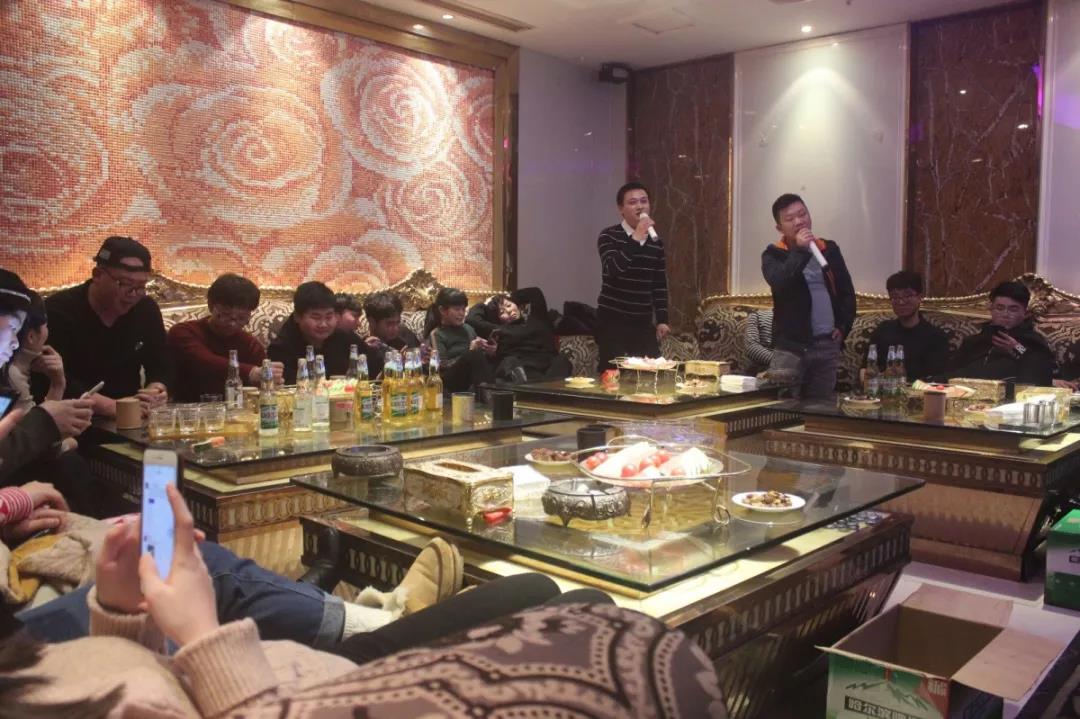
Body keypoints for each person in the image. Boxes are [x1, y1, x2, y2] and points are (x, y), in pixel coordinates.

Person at [7, 486, 720, 719]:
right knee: (606, 613)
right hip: (311, 692)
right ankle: (378, 613)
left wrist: (121, 609)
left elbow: (125, 681)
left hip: (298, 670)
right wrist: (199, 632)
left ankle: (377, 615)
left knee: (541, 588)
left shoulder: (28, 665)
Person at [44, 236, 171, 418]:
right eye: (125, 284)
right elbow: (48, 376)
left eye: (141, 286)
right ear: (97, 275)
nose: (133, 294)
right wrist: (109, 406)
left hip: (130, 415)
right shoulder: (59, 311)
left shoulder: (146, 308)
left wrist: (156, 389)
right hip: (71, 416)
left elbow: (161, 362)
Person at [761, 193, 856, 398]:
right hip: (791, 347)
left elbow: (847, 292)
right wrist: (801, 251)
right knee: (783, 407)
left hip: (826, 344)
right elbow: (780, 282)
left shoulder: (828, 249)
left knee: (820, 410)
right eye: (790, 219)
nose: (799, 221)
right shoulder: (773, 255)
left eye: (802, 214)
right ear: (780, 228)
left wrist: (843, 326)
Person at [168, 273, 282, 402]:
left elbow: (264, 379)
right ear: (211, 306)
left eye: (241, 318)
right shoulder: (184, 332)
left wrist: (271, 379)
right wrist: (251, 372)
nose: (232, 324)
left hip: (237, 410)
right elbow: (204, 361)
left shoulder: (249, 344)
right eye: (226, 315)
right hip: (189, 408)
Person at [595, 182, 670, 371]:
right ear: (621, 209)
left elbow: (659, 282)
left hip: (643, 321)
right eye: (633, 202)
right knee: (613, 375)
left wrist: (662, 319)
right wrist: (636, 237)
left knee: (653, 372)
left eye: (644, 201)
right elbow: (613, 269)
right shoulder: (608, 236)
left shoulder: (655, 242)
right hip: (613, 320)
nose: (640, 206)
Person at [947, 280, 1055, 386]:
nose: (1005, 314)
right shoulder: (974, 341)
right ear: (991, 309)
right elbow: (951, 374)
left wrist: (1017, 348)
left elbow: (1041, 376)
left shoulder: (1033, 341)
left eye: (1013, 309)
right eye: (1000, 308)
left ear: (1025, 313)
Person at [466, 287, 572, 383]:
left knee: (562, 360)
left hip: (550, 369)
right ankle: (536, 390)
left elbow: (535, 293)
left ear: (516, 304)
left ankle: (543, 391)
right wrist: (484, 304)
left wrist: (509, 296)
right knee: (509, 362)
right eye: (502, 312)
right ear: (498, 318)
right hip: (525, 371)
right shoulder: (499, 330)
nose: (508, 311)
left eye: (509, 305)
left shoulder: (538, 319)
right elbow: (472, 319)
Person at [865, 270, 950, 382]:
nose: (901, 302)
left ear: (920, 297)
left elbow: (938, 379)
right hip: (884, 389)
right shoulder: (882, 331)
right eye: (895, 297)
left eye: (907, 296)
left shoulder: (936, 337)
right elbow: (865, 370)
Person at [269, 281, 353, 384]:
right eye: (316, 317)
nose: (323, 324)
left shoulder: (345, 338)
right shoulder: (281, 348)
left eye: (329, 317)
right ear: (297, 317)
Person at [424, 288, 495, 393]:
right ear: (442, 310)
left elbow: (479, 361)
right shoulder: (437, 334)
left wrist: (489, 351)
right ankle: (490, 396)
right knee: (473, 355)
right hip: (449, 380)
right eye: (457, 309)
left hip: (471, 375)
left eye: (463, 309)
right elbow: (442, 366)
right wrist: (470, 352)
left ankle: (497, 393)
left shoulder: (468, 329)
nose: (462, 313)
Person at [9, 292, 66, 413]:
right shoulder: (12, 375)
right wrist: (57, 385)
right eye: (46, 326)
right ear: (31, 336)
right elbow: (39, 424)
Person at [361, 291, 423, 379]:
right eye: (389, 324)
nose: (396, 328)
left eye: (397, 322)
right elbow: (368, 382)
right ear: (372, 322)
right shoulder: (365, 347)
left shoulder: (404, 334)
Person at [743, 308, 775, 376]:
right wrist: (779, 362)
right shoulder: (756, 316)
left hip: (794, 369)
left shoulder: (798, 320)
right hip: (761, 368)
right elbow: (751, 348)